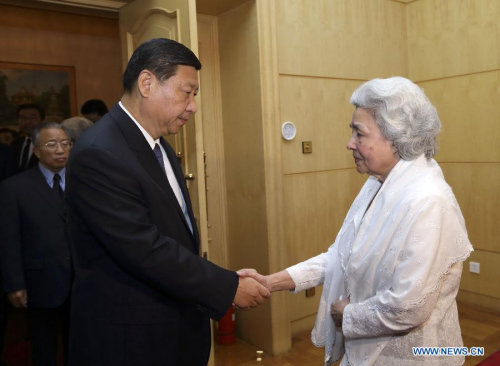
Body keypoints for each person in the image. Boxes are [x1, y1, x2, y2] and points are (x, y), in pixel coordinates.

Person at [240, 77, 473, 366]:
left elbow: (408, 308)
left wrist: (345, 314)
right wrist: (271, 281)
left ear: (397, 138)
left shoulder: (429, 202)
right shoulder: (377, 184)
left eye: (359, 134)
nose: (350, 144)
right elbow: (341, 256)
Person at [65, 38, 269, 366]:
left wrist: (218, 277)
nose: (193, 106)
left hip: (172, 323)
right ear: (147, 83)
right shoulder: (99, 153)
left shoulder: (157, 144)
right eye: (186, 92)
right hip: (131, 338)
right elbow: (145, 249)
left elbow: (173, 234)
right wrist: (227, 286)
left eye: (195, 96)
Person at [0, 122, 73, 366]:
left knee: (83, 347)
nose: (60, 150)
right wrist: (15, 284)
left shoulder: (84, 182)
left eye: (65, 143)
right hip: (40, 281)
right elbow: (9, 239)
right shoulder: (15, 188)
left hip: (83, 282)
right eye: (51, 144)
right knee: (44, 348)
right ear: (36, 150)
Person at [10, 103, 45, 173]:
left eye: (33, 118)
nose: (27, 122)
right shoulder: (15, 144)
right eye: (23, 118)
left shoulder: (50, 144)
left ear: (42, 120)